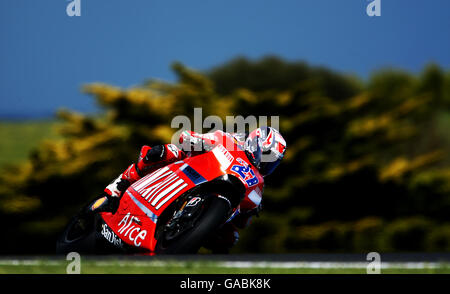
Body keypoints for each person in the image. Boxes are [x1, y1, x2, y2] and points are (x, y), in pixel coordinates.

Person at [98, 126, 287, 253]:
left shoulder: (259, 183)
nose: (268, 164)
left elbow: (244, 222)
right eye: (267, 156)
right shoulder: (229, 139)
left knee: (231, 238)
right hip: (192, 168)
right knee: (162, 153)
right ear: (256, 144)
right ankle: (118, 186)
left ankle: (184, 237)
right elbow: (186, 137)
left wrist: (251, 211)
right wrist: (195, 140)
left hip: (222, 194)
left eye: (273, 162)